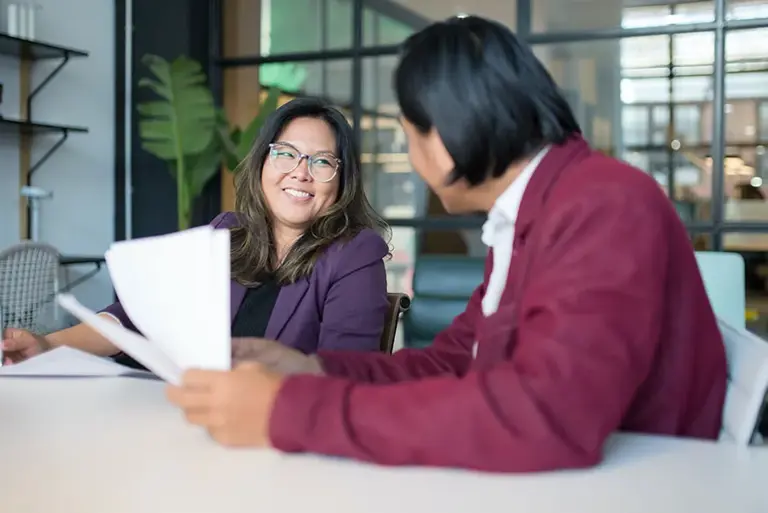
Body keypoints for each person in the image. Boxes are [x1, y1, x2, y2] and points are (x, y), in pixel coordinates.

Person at [166, 16, 727, 472]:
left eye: (410, 136)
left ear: (449, 135)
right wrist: (310, 369)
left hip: (636, 486)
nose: (413, 160)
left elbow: (545, 419)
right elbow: (453, 362)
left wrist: (286, 411)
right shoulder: (532, 213)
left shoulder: (604, 204)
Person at [2, 98, 391, 363]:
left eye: (322, 162)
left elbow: (344, 372)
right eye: (285, 153)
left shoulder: (355, 254)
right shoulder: (227, 234)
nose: (300, 172)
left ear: (342, 181)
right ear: (261, 164)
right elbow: (135, 317)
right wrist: (48, 344)